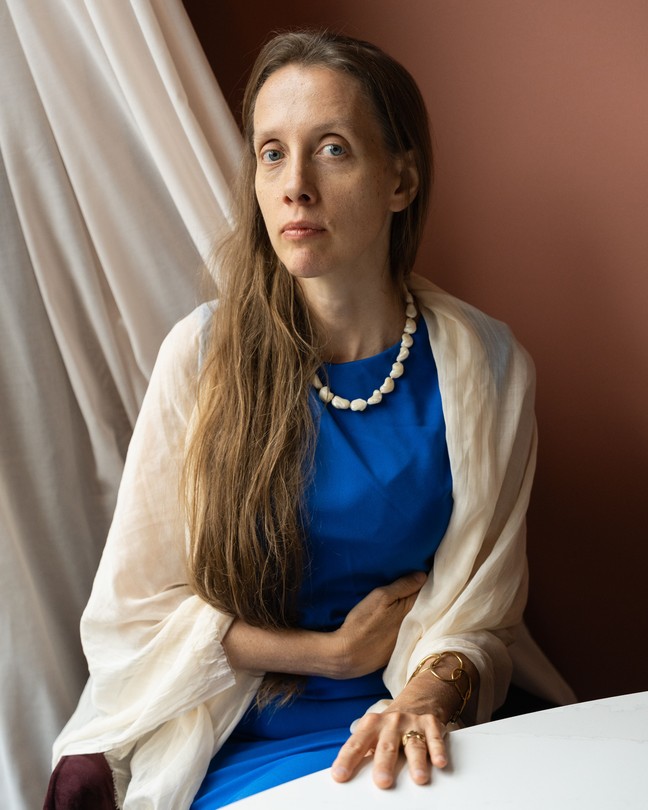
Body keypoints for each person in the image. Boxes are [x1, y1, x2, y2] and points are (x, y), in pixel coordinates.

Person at [45, 30, 574, 810]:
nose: (295, 186)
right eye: (272, 154)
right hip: (236, 733)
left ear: (401, 179)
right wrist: (327, 656)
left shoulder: (487, 366)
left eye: (331, 150)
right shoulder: (201, 356)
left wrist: (421, 702)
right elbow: (137, 616)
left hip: (413, 726)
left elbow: (479, 611)